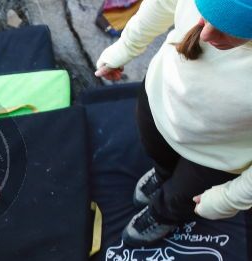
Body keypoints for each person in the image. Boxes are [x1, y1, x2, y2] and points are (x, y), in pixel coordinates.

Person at [94, 0, 252, 246]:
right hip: (159, 102)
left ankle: (162, 214)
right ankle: (162, 174)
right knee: (158, 155)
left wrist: (229, 199)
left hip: (217, 157)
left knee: (180, 199)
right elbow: (161, 4)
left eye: (232, 26)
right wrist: (126, 47)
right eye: (205, 11)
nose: (206, 35)